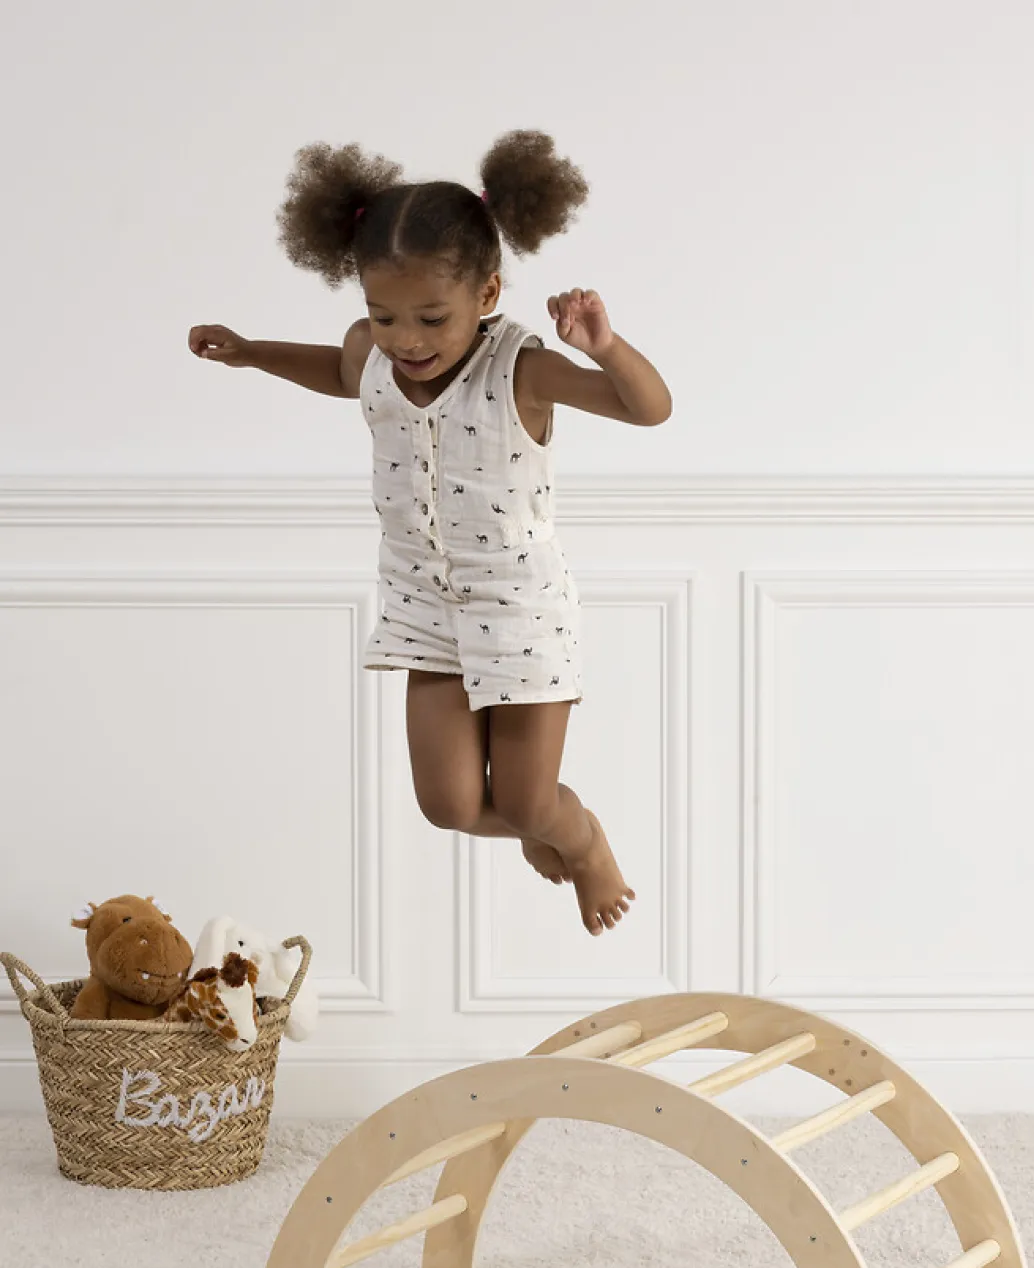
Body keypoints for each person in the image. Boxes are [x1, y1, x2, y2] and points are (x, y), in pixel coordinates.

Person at [189, 131, 672, 934]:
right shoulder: (372, 357)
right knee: (447, 805)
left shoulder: (520, 368)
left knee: (527, 800)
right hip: (425, 609)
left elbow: (648, 408)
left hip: (521, 610)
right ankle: (541, 825)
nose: (405, 339)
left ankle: (578, 837)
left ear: (488, 293)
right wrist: (251, 353)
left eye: (431, 318)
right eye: (382, 315)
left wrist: (605, 348)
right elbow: (338, 372)